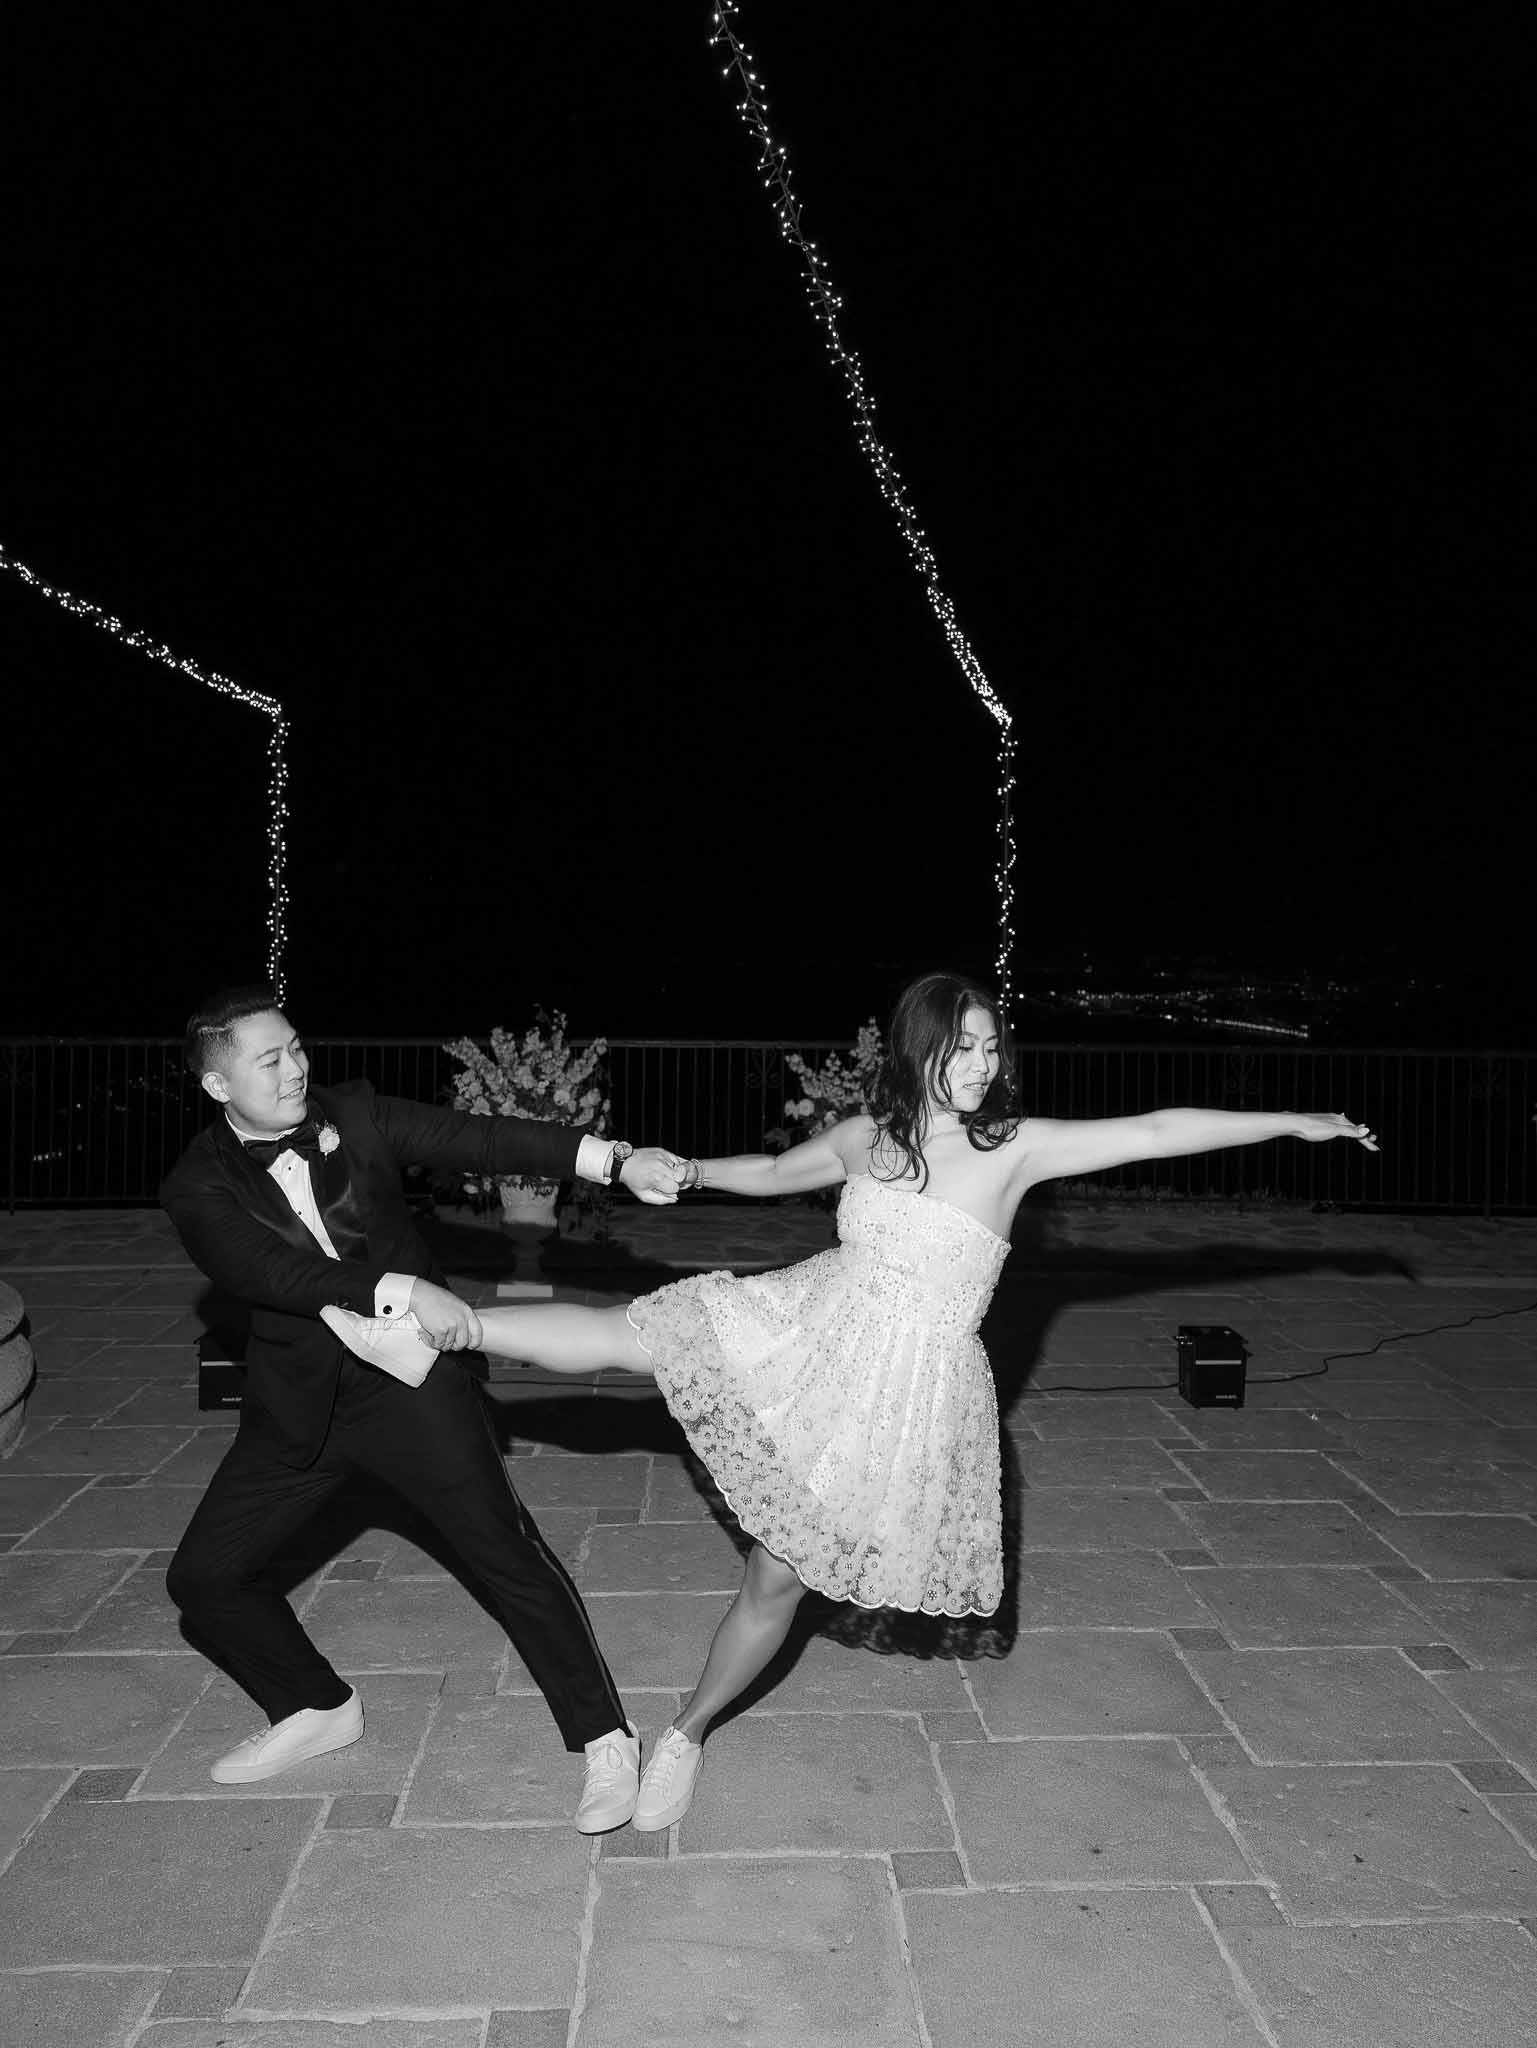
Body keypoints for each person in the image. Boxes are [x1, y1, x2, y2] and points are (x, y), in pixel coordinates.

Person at [468, 968, 1380, 1831]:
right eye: (966, 1048)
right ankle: (435, 1320)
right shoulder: (870, 1136)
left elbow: (1150, 1130)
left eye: (993, 1049)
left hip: (901, 1398)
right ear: (921, 1051)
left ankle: (685, 1734)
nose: (985, 1066)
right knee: (638, 1334)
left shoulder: (1012, 1149)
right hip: (812, 1327)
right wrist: (690, 1170)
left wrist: (1288, 1123)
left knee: (777, 1575)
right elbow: (779, 1171)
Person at [160, 984, 685, 1832]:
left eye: (295, 1046)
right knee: (205, 1577)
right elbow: (271, 1275)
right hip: (301, 1404)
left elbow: (476, 1136)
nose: (295, 1068)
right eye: (269, 1060)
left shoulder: (353, 1114)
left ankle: (604, 1737)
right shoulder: (197, 1185)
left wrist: (614, 1159)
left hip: (411, 1390)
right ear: (219, 1086)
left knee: (505, 1557)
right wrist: (400, 1286)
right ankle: (317, 1707)